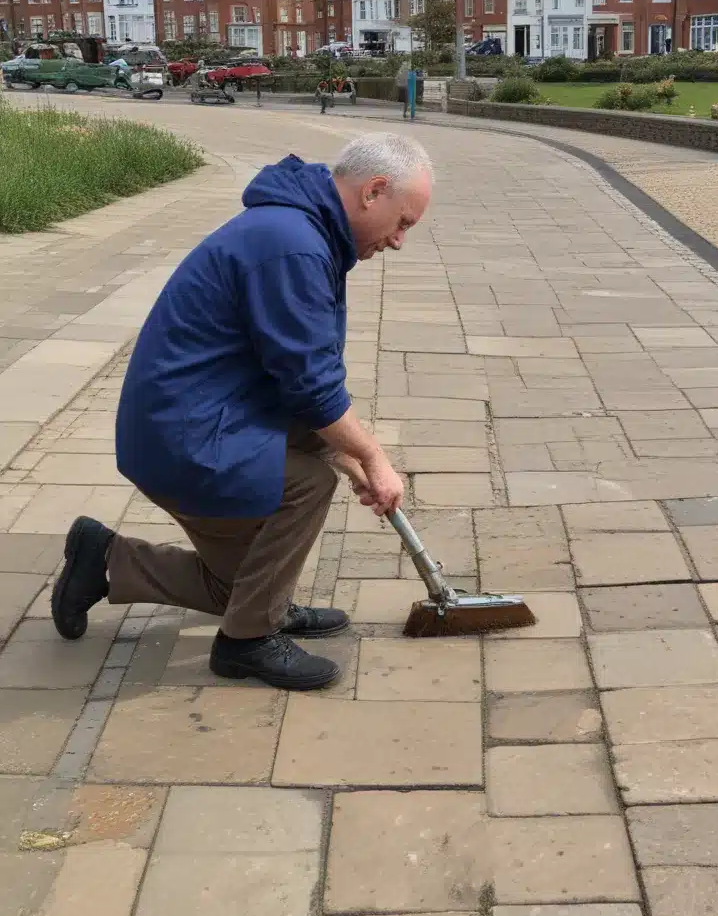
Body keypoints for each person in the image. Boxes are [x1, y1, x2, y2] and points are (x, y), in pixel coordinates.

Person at [50, 133, 434, 691]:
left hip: (199, 420)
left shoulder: (301, 230)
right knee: (306, 486)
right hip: (186, 437)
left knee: (244, 589)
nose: (399, 241)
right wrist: (371, 456)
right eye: (403, 223)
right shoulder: (293, 245)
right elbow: (311, 382)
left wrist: (343, 449)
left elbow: (290, 373)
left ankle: (106, 560)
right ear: (373, 191)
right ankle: (247, 642)